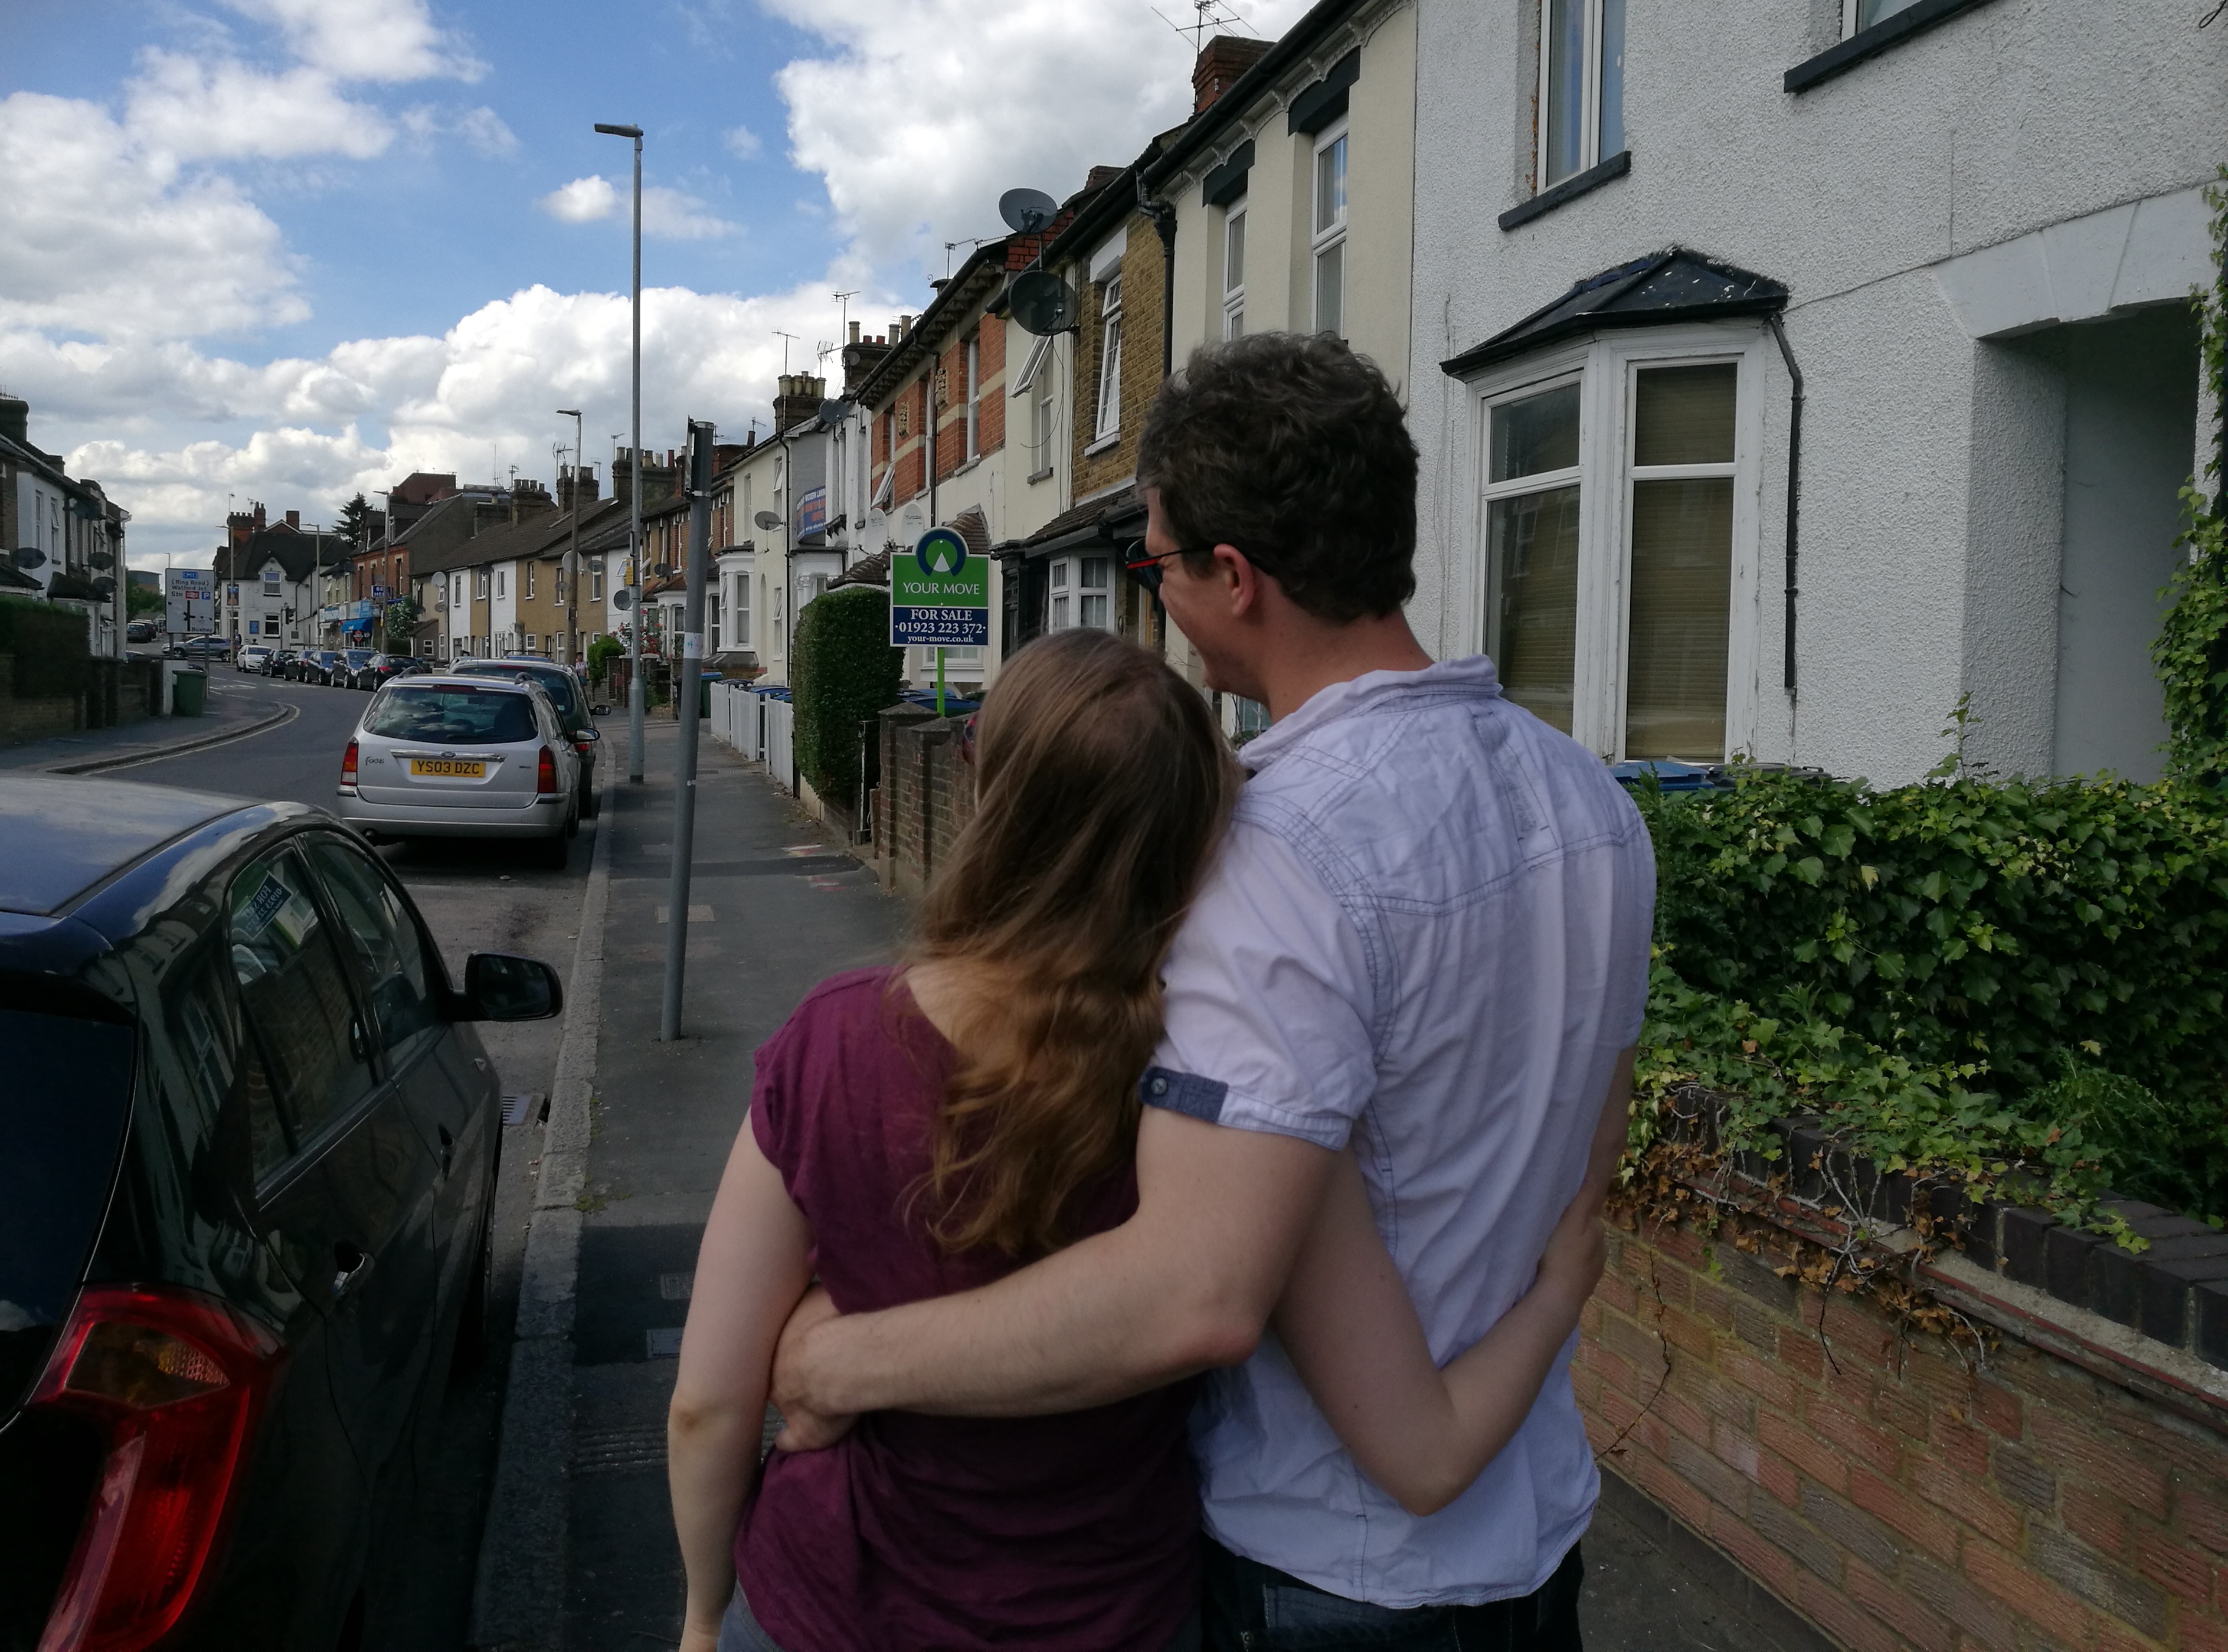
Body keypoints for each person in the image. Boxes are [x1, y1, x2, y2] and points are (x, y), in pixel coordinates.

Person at [769, 332, 1657, 1649]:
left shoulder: (1270, 853)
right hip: (1532, 1541)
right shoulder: (1594, 802)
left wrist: (843, 1359)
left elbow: (1195, 1290)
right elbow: (1588, 1150)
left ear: (1234, 577)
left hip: (1322, 1569)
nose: (1162, 592)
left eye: (1163, 563)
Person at [667, 628, 1621, 1652]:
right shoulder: (1214, 1086)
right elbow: (1417, 1436)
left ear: (988, 791)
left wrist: (703, 1612)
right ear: (1202, 826)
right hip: (1107, 1612)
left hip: (831, 1596)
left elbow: (710, 1406)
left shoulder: (834, 1039)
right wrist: (1562, 1287)